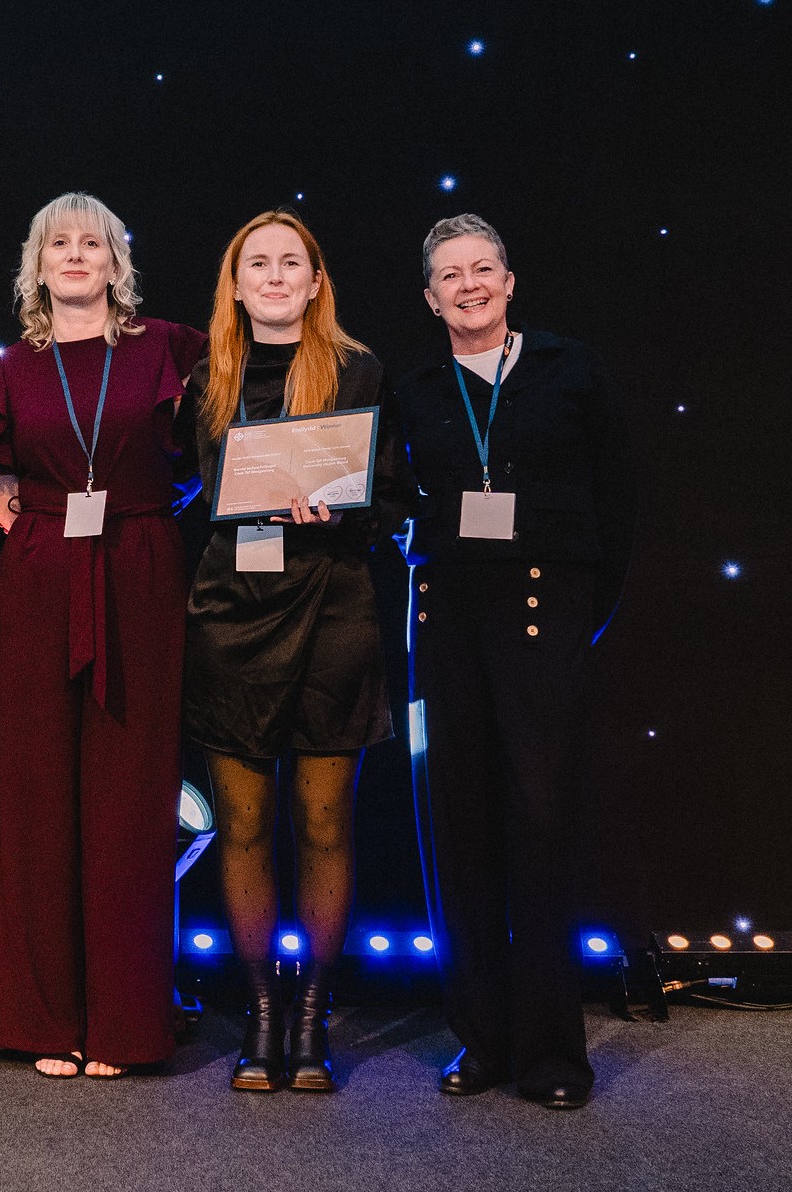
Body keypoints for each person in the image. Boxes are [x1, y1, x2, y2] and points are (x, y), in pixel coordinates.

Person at [396, 213, 634, 1111]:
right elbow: (390, 500)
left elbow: (620, 495)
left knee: (539, 828)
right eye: (450, 275)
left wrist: (586, 615)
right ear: (430, 297)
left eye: (483, 268)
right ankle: (483, 1045)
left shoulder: (571, 368)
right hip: (448, 621)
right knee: (457, 828)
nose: (470, 285)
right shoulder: (416, 387)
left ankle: (552, 1057)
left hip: (544, 619)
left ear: (509, 279)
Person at [0, 193, 206, 1080]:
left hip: (139, 569)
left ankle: (125, 1024)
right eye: (58, 243)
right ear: (36, 264)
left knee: (128, 803)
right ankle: (42, 1020)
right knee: (33, 797)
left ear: (117, 261)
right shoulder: (10, 368)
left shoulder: (169, 348)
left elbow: (228, 436)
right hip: (37, 575)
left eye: (92, 243)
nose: (75, 255)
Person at [176, 210, 408, 1092]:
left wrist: (341, 509)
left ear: (316, 283)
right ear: (235, 285)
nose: (274, 277)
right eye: (257, 264)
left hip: (333, 613)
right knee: (240, 829)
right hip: (232, 618)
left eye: (291, 264)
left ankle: (310, 1019)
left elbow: (388, 500)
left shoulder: (359, 370)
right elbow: (195, 494)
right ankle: (261, 1017)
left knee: (322, 826)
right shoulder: (206, 376)